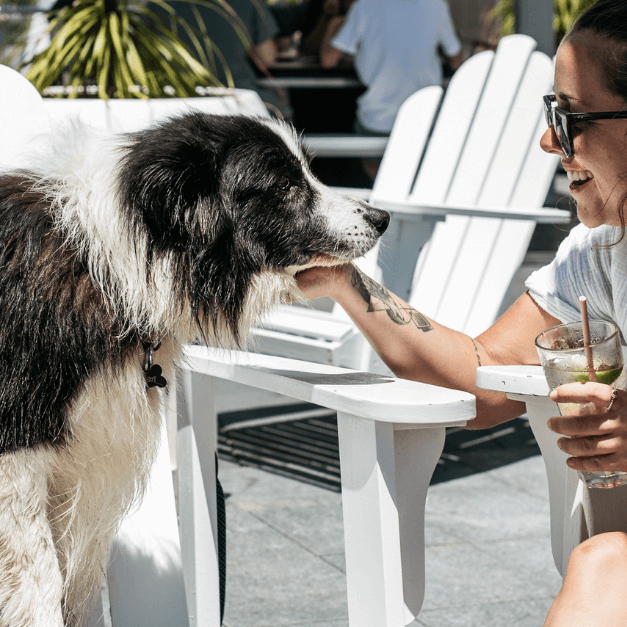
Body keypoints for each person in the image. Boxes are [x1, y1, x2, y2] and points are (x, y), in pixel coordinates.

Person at [296, 0, 627, 624]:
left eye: (569, 114)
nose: (547, 138)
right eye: (547, 111)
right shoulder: (596, 257)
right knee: (603, 564)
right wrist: (346, 283)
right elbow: (482, 376)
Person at [319, 0, 463, 176]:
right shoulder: (436, 5)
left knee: (380, 184)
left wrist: (333, 23)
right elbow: (457, 60)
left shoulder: (364, 6)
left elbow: (328, 60)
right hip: (426, 118)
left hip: (377, 121)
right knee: (418, 182)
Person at [151, 0, 284, 115]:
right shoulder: (248, 2)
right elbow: (267, 58)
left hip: (177, 101)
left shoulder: (156, 5)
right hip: (237, 101)